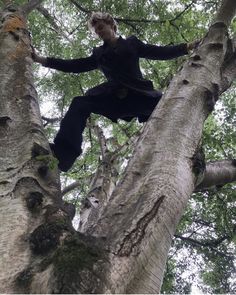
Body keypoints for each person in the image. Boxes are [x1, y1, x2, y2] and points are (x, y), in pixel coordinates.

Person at [32, 12, 198, 172]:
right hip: (115, 99)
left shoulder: (132, 43)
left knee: (172, 104)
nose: (99, 32)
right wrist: (43, 60)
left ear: (112, 25)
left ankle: (183, 150)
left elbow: (158, 52)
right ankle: (63, 155)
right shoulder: (98, 54)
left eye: (101, 27)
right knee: (79, 103)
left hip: (141, 96)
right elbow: (75, 65)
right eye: (96, 30)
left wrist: (186, 47)